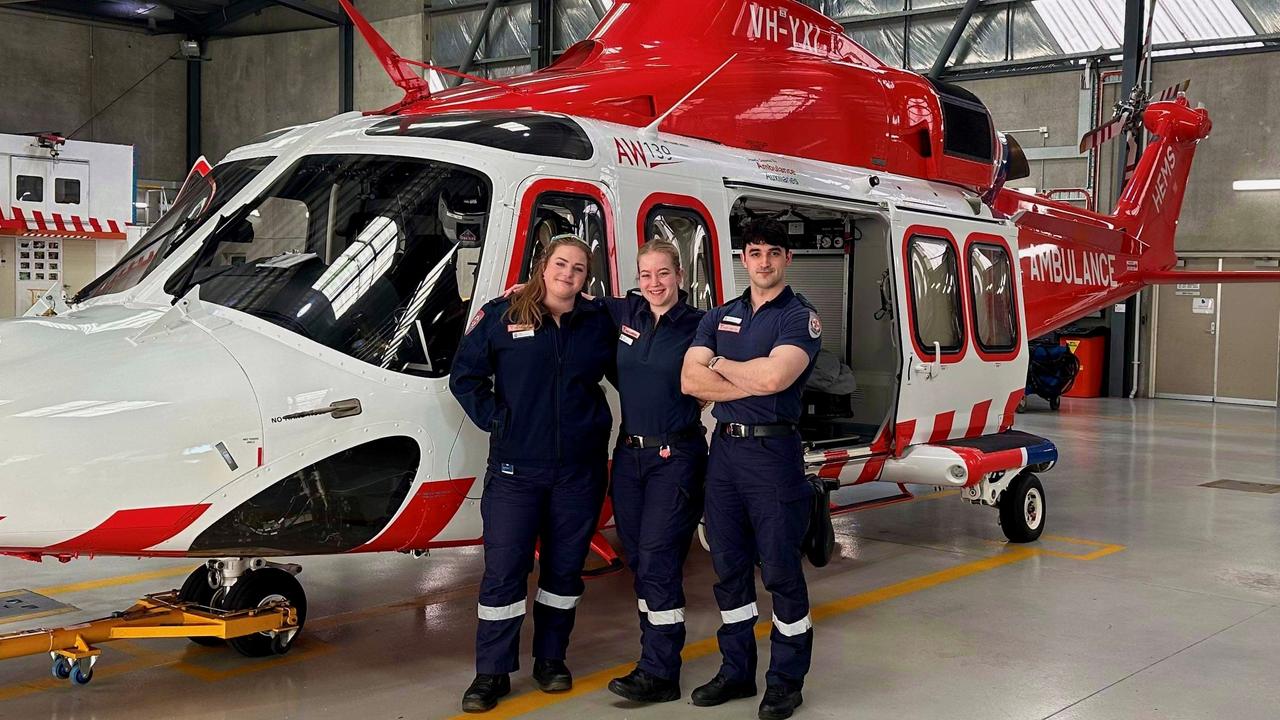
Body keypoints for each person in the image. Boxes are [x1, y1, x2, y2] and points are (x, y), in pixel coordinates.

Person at [449, 235, 616, 713]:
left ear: (587, 278)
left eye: (579, 268)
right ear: (544, 267)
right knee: (504, 572)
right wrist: (497, 419)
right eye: (560, 264)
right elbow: (465, 375)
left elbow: (636, 361)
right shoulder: (504, 314)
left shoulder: (597, 321)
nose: (567, 274)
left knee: (564, 572)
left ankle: (550, 660)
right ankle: (491, 673)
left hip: (578, 474)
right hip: (515, 471)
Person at [680, 218, 822, 720]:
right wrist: (751, 380)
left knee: (781, 572)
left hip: (773, 457)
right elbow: (689, 380)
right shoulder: (721, 315)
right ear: (744, 258)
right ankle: (736, 672)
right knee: (729, 571)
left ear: (787, 259)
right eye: (755, 252)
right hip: (725, 456)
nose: (763, 262)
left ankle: (785, 680)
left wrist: (721, 366)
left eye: (773, 253)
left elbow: (777, 375)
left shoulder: (798, 317)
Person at [595, 240, 708, 703]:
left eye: (663, 273)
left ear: (679, 275)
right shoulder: (627, 313)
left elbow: (727, 370)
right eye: (645, 275)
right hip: (628, 458)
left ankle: (659, 671)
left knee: (659, 560)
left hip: (675, 457)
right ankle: (654, 656)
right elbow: (572, 294)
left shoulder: (702, 324)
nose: (654, 284)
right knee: (641, 561)